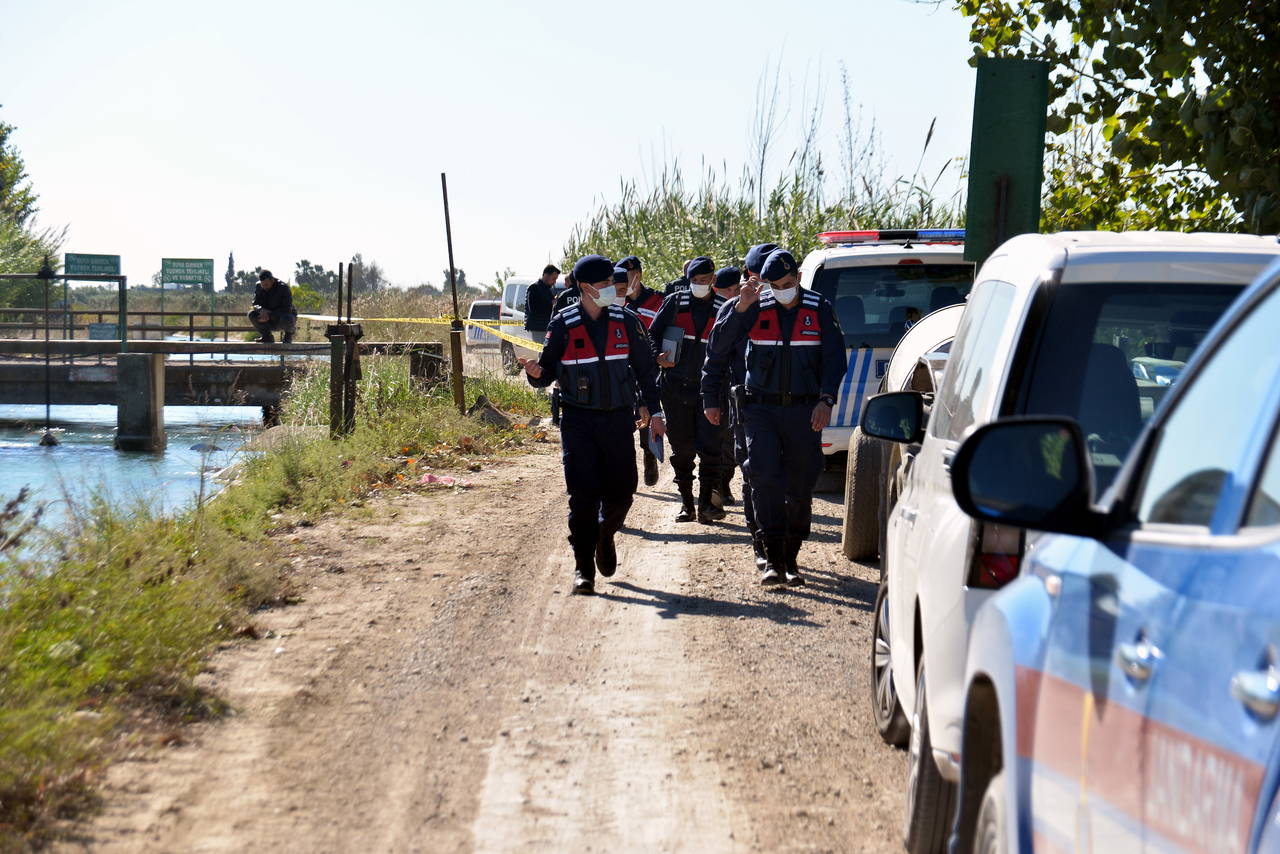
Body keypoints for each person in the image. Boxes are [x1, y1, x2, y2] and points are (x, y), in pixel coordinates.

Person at [521, 255, 666, 595]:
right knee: (582, 497)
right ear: (585, 288)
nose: (613, 291)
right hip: (578, 421)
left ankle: (604, 535)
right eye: (604, 286)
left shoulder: (627, 321)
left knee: (623, 492)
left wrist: (655, 412)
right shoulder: (564, 323)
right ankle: (583, 569)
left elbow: (646, 371)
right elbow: (548, 370)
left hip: (618, 419)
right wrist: (536, 375)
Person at [703, 248, 846, 586]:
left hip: (804, 410)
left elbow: (835, 360)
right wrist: (740, 308)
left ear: (797, 277)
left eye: (787, 282)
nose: (781, 289)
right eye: (774, 284)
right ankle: (772, 557)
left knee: (800, 484)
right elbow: (719, 347)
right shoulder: (753, 307)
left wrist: (826, 400)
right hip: (760, 410)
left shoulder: (818, 308)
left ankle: (792, 555)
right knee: (763, 477)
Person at [704, 243, 775, 571]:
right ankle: (762, 542)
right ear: (749, 277)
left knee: (790, 481)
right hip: (747, 405)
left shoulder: (798, 305)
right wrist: (711, 400)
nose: (770, 284)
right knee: (754, 473)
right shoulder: (733, 307)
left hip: (791, 408)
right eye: (762, 277)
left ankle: (784, 542)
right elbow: (716, 354)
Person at [649, 256, 726, 523]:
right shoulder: (674, 303)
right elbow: (651, 336)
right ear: (688, 281)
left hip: (710, 392)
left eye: (704, 281)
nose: (700, 285)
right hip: (675, 388)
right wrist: (656, 355)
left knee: (710, 449)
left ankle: (706, 504)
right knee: (681, 449)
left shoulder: (723, 308)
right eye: (695, 281)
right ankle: (686, 504)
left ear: (713, 279)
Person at [620, 255, 665, 486]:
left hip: (650, 369)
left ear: (638, 275)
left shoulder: (658, 301)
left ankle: (649, 454)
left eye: (627, 277)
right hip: (623, 370)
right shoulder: (617, 303)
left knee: (648, 412)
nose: (624, 283)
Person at [248, 270, 296, 344]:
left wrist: (270, 315)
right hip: (266, 319)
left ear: (272, 280)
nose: (264, 287)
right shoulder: (258, 286)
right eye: (262, 285)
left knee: (288, 318)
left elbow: (287, 309)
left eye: (266, 284)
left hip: (281, 318)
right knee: (252, 314)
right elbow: (255, 304)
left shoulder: (283, 288)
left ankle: (288, 337)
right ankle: (267, 336)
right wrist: (261, 310)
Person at [524, 264, 559, 333]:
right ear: (546, 275)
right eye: (553, 278)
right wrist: (551, 303)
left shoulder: (548, 290)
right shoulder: (534, 288)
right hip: (537, 328)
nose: (555, 282)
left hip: (545, 328)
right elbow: (534, 309)